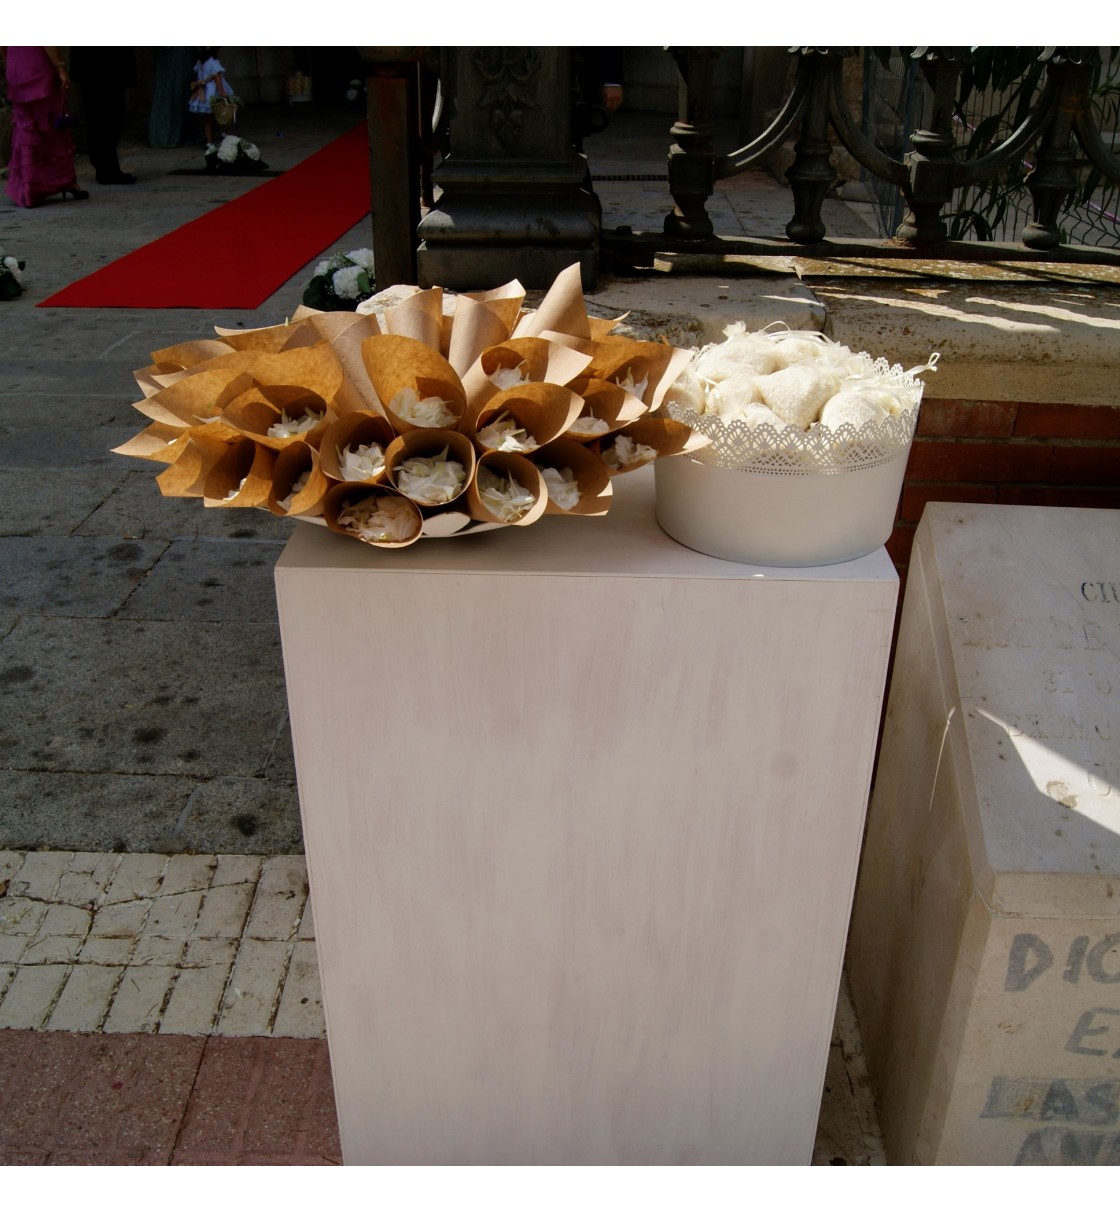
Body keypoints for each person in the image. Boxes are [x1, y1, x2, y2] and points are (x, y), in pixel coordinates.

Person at [3, 46, 88, 206]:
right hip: (38, 66)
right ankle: (65, 181)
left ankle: (28, 188)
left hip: (16, 66)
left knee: (26, 127)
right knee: (52, 127)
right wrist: (60, 67)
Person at [69, 47, 137, 185]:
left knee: (101, 116)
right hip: (104, 65)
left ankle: (104, 165)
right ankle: (107, 168)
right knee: (107, 117)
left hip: (96, 65)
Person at [189, 49, 231, 146]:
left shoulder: (200, 62)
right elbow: (217, 77)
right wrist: (222, 92)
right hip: (213, 91)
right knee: (224, 113)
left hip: (204, 90)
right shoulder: (213, 61)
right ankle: (224, 133)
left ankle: (209, 142)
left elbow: (200, 75)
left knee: (208, 120)